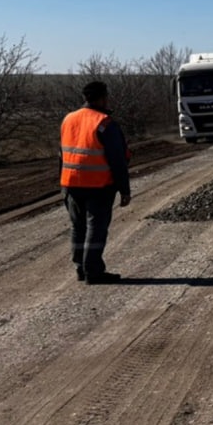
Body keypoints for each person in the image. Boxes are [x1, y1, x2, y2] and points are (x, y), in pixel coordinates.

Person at [60, 81, 132, 284]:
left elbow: (62, 154)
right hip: (98, 185)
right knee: (96, 227)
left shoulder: (68, 119)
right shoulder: (104, 123)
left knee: (78, 227)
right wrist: (124, 190)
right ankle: (93, 271)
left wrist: (63, 185)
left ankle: (81, 268)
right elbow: (118, 159)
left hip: (70, 183)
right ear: (102, 98)